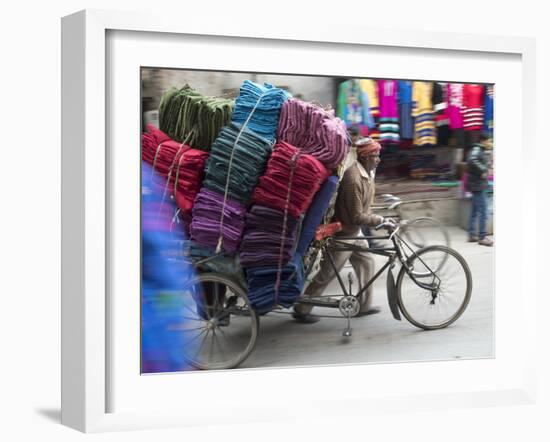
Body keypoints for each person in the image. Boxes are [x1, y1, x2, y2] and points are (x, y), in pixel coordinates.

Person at [292, 137, 394, 323]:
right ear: (364, 157)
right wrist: (380, 220)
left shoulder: (365, 174)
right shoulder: (353, 179)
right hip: (344, 234)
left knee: (366, 262)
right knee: (327, 274)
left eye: (378, 155)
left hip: (355, 232)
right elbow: (355, 216)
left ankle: (364, 305)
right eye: (375, 156)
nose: (378, 159)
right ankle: (301, 308)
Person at [466, 134, 493, 246]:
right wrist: (483, 170)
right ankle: (482, 237)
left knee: (474, 211)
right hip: (477, 185)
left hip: (476, 184)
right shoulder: (477, 149)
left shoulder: (479, 149)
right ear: (483, 141)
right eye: (488, 141)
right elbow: (472, 160)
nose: (489, 143)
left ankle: (472, 234)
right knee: (483, 212)